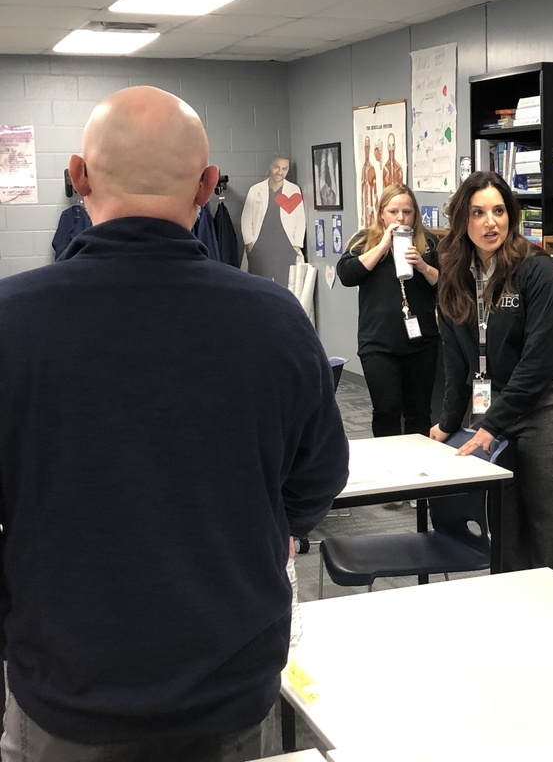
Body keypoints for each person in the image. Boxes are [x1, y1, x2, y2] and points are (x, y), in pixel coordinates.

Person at [0, 86, 349, 761]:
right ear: (207, 186)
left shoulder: (11, 322)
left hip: (64, 687)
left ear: (78, 177)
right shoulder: (276, 321)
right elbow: (318, 481)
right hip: (226, 691)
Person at [429, 171, 553, 579]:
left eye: (499, 211)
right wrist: (448, 423)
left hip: (547, 408)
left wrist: (492, 425)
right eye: (478, 212)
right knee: (506, 528)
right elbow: (456, 358)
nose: (490, 222)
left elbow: (538, 360)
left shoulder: (536, 270)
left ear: (511, 216)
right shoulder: (454, 275)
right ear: (463, 219)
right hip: (495, 404)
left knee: (550, 533)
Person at [337, 183, 440, 438]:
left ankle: (421, 469)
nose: (400, 218)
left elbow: (446, 284)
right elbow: (347, 275)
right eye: (393, 211)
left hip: (421, 341)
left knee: (419, 412)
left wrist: (424, 267)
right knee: (386, 409)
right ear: (382, 213)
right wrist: (383, 246)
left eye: (407, 211)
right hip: (378, 343)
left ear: (414, 214)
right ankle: (388, 468)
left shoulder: (428, 242)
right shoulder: (363, 241)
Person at [240, 153, 306, 284]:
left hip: (285, 247)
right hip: (260, 247)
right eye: (277, 167)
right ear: (270, 167)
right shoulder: (255, 190)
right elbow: (246, 218)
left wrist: (296, 246)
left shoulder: (294, 190)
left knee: (285, 287)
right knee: (259, 285)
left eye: (284, 168)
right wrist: (249, 245)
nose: (280, 172)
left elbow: (300, 219)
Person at [360, 135, 378, 229]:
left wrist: (376, 206)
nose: (366, 150)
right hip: (365, 202)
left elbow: (375, 191)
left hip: (371, 202)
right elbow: (362, 190)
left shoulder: (371, 168)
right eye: (365, 148)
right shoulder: (363, 168)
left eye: (368, 148)